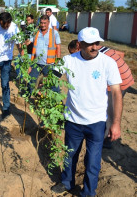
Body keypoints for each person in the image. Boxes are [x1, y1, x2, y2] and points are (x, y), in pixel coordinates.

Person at [51, 27, 122, 197]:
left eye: (97, 43)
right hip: (73, 120)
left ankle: (89, 192)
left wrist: (116, 123)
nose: (95, 47)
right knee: (70, 155)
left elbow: (117, 93)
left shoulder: (108, 63)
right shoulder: (69, 60)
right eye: (90, 44)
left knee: (92, 162)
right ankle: (67, 183)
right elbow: (52, 75)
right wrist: (46, 81)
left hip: (96, 122)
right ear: (80, 44)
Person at [68, 39, 134, 148]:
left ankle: (107, 139)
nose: (74, 56)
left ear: (79, 47)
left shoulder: (95, 55)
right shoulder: (98, 49)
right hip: (126, 75)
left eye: (73, 53)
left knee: (109, 109)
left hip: (120, 80)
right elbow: (120, 54)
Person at [28, 14, 61, 94]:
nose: (42, 25)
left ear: (48, 23)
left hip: (49, 63)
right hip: (36, 62)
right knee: (32, 79)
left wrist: (58, 61)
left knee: (52, 82)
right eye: (41, 23)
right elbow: (29, 43)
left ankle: (56, 99)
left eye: (44, 23)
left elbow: (58, 47)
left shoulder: (54, 33)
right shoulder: (36, 32)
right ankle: (29, 96)